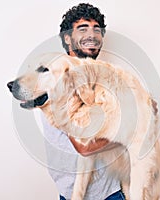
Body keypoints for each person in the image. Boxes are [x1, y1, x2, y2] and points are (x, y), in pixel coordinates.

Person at [41, 3, 126, 200]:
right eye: (82, 28)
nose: (92, 35)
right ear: (68, 38)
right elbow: (85, 146)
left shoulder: (100, 77)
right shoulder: (59, 76)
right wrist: (136, 121)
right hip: (77, 194)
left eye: (97, 29)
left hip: (111, 189)